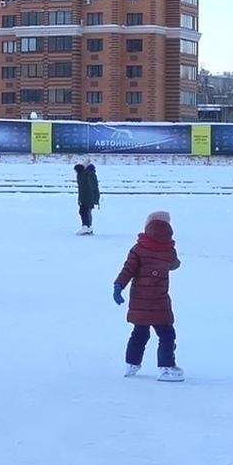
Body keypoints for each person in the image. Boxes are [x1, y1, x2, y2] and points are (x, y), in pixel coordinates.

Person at [113, 211, 184, 382]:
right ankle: (166, 367)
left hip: (140, 301)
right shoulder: (168, 249)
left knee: (139, 333)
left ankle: (131, 364)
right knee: (166, 334)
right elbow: (175, 264)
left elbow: (128, 269)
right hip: (160, 301)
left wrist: (118, 286)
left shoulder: (138, 248)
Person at [74, 163, 100, 235]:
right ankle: (89, 227)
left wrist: (81, 198)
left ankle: (86, 226)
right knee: (87, 211)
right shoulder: (89, 174)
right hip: (89, 197)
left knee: (83, 211)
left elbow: (84, 188)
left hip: (86, 197)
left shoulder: (84, 175)